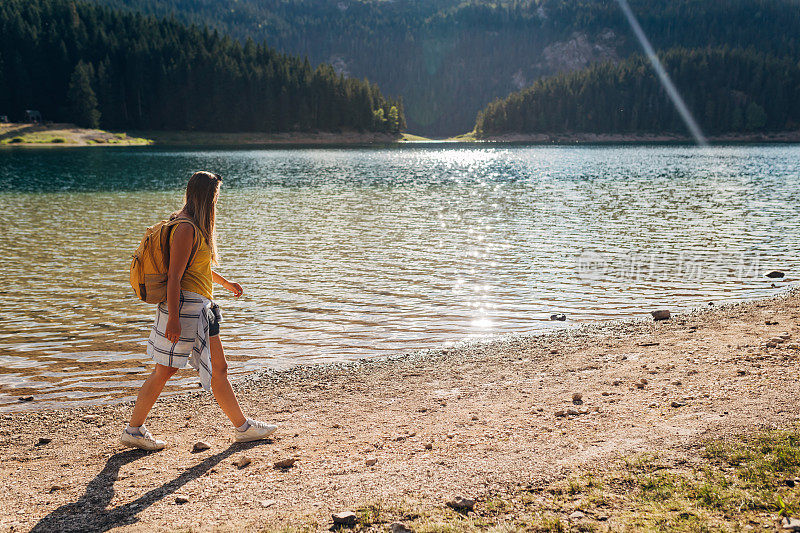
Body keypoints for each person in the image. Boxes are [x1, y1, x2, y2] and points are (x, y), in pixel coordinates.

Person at [121, 171, 277, 451]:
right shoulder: (186, 228)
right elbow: (174, 276)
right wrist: (175, 321)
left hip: (198, 307)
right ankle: (134, 430)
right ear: (207, 196)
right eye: (216, 195)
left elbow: (198, 268)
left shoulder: (192, 226)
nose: (218, 200)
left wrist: (226, 283)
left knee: (214, 368)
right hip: (187, 309)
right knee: (166, 371)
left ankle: (243, 427)